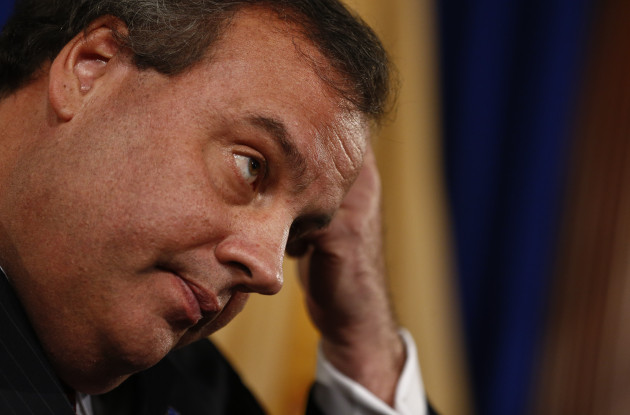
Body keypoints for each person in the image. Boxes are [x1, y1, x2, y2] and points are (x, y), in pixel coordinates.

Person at [0, 0, 432, 414]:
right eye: (251, 167)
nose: (269, 273)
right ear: (91, 66)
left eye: (298, 232)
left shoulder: (196, 388)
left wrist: (364, 342)